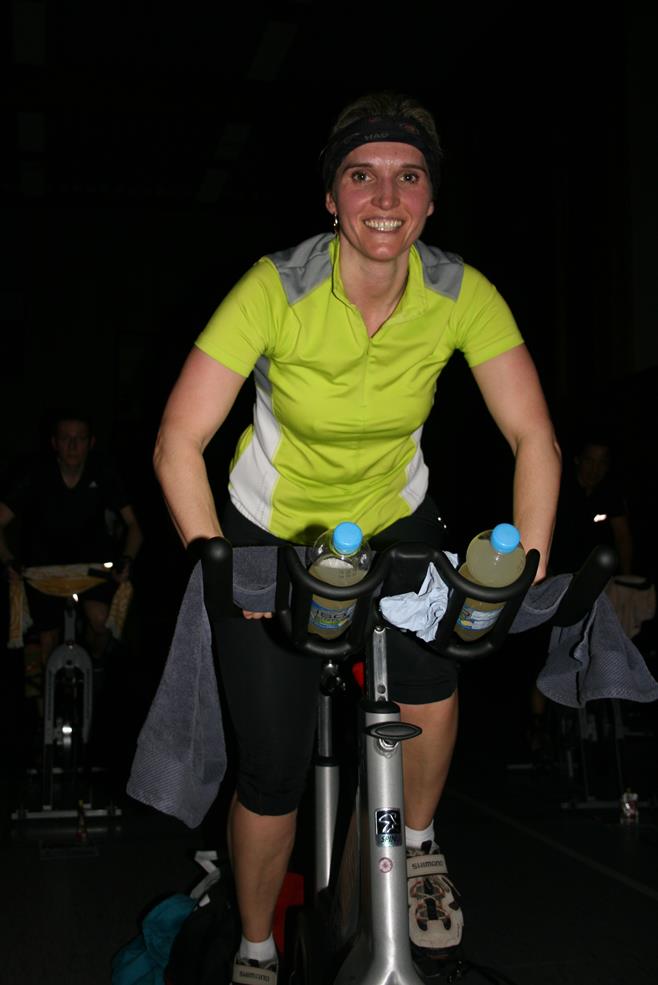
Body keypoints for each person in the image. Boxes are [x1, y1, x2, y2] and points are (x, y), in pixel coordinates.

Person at [153, 91, 561, 983]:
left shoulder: (460, 292)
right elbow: (178, 439)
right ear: (331, 198)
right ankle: (257, 947)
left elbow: (534, 435)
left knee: (434, 670)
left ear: (431, 200)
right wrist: (220, 562)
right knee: (272, 768)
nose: (385, 197)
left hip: (391, 513)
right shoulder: (276, 287)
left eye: (408, 177)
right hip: (270, 527)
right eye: (362, 175)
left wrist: (528, 564)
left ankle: (418, 849)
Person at [0, 410, 143, 662]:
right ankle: (46, 685)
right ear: (54, 443)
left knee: (101, 621)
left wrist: (127, 559)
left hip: (92, 566)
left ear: (91, 442)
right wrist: (8, 560)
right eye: (66, 438)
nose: (73, 446)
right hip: (43, 569)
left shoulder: (103, 473)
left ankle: (95, 663)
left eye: (80, 438)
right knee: (46, 644)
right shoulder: (33, 474)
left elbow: (134, 525)